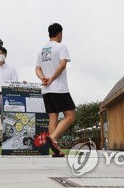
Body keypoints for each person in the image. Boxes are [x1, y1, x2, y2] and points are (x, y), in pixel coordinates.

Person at [35, 23, 75, 157]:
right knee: (70, 116)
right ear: (60, 33)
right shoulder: (61, 46)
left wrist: (43, 79)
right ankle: (53, 137)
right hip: (59, 88)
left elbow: (37, 69)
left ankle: (56, 150)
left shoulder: (41, 50)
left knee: (53, 117)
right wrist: (51, 79)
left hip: (46, 90)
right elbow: (63, 64)